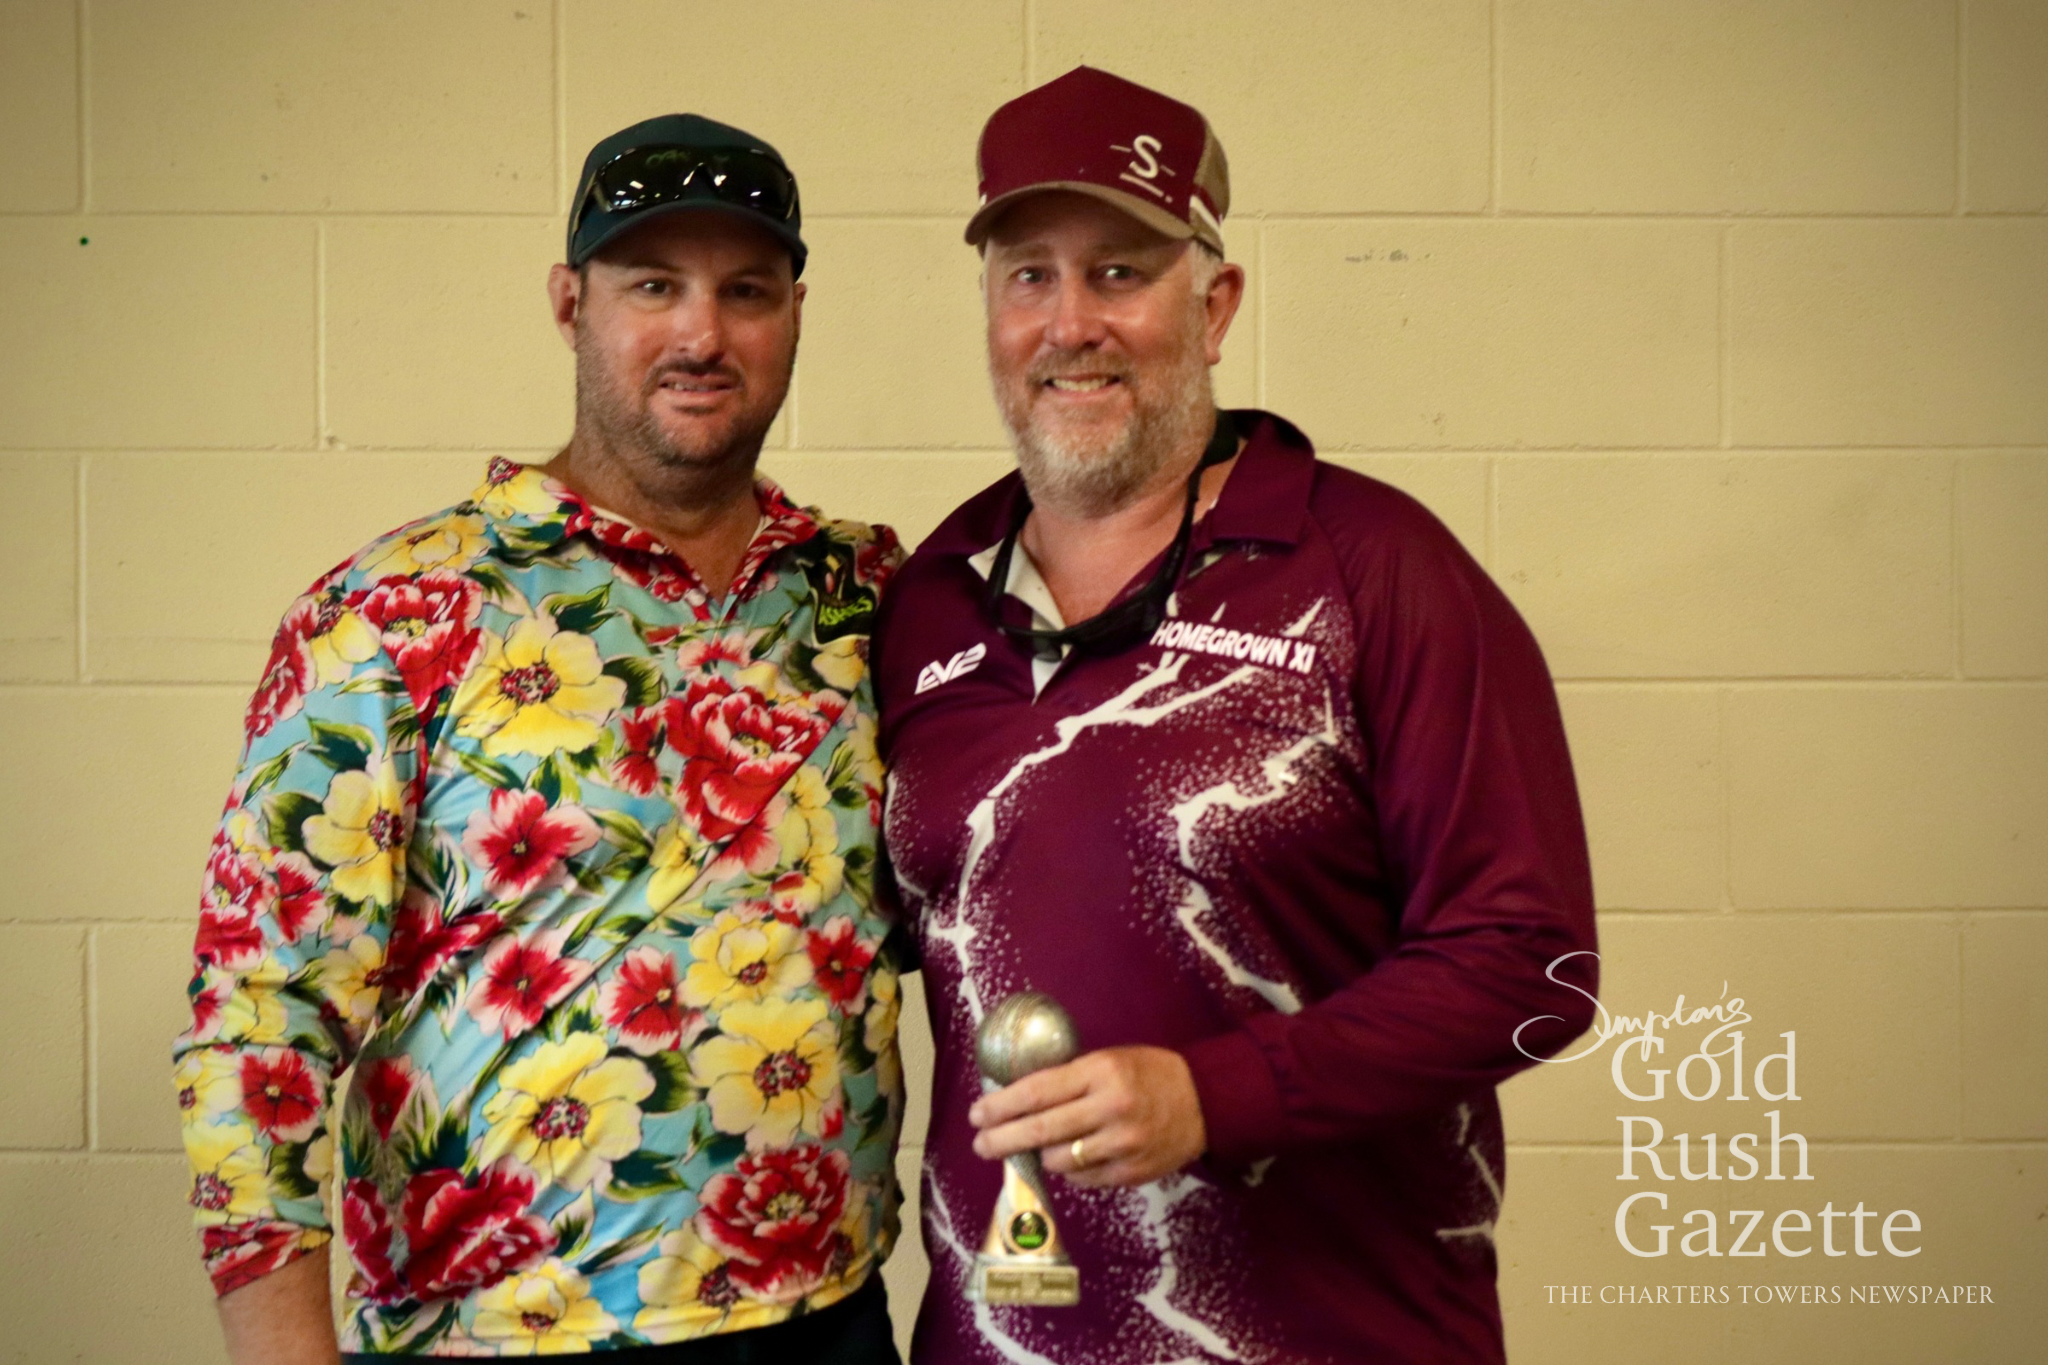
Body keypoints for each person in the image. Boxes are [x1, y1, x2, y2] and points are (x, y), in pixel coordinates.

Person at [873, 67, 1599, 1364]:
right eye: (1028, 274)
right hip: (995, 1341)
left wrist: (1218, 1092)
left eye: (1120, 273)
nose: (1069, 321)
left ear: (1214, 305)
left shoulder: (1376, 570)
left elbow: (1529, 961)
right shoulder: (927, 601)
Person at [175, 114, 907, 1364]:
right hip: (496, 1338)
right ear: (570, 302)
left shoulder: (871, 599)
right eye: (652, 286)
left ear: (795, 309)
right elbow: (260, 1022)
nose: (701, 334)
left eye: (745, 291)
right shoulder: (398, 613)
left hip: (821, 1322)